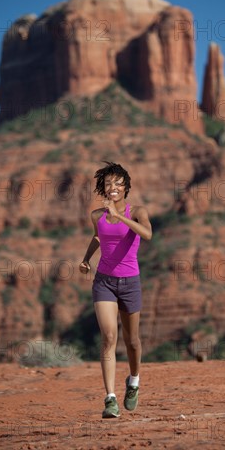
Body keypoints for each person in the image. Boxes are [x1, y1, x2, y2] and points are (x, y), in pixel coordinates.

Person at [79, 161, 152, 418]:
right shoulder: (97, 216)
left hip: (130, 283)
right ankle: (110, 399)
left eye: (118, 183)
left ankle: (133, 381)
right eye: (108, 183)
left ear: (126, 188)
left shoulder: (137, 211)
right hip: (104, 282)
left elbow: (147, 234)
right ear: (103, 187)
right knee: (109, 337)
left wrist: (119, 215)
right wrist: (86, 259)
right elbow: (99, 237)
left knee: (132, 341)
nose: (113, 187)